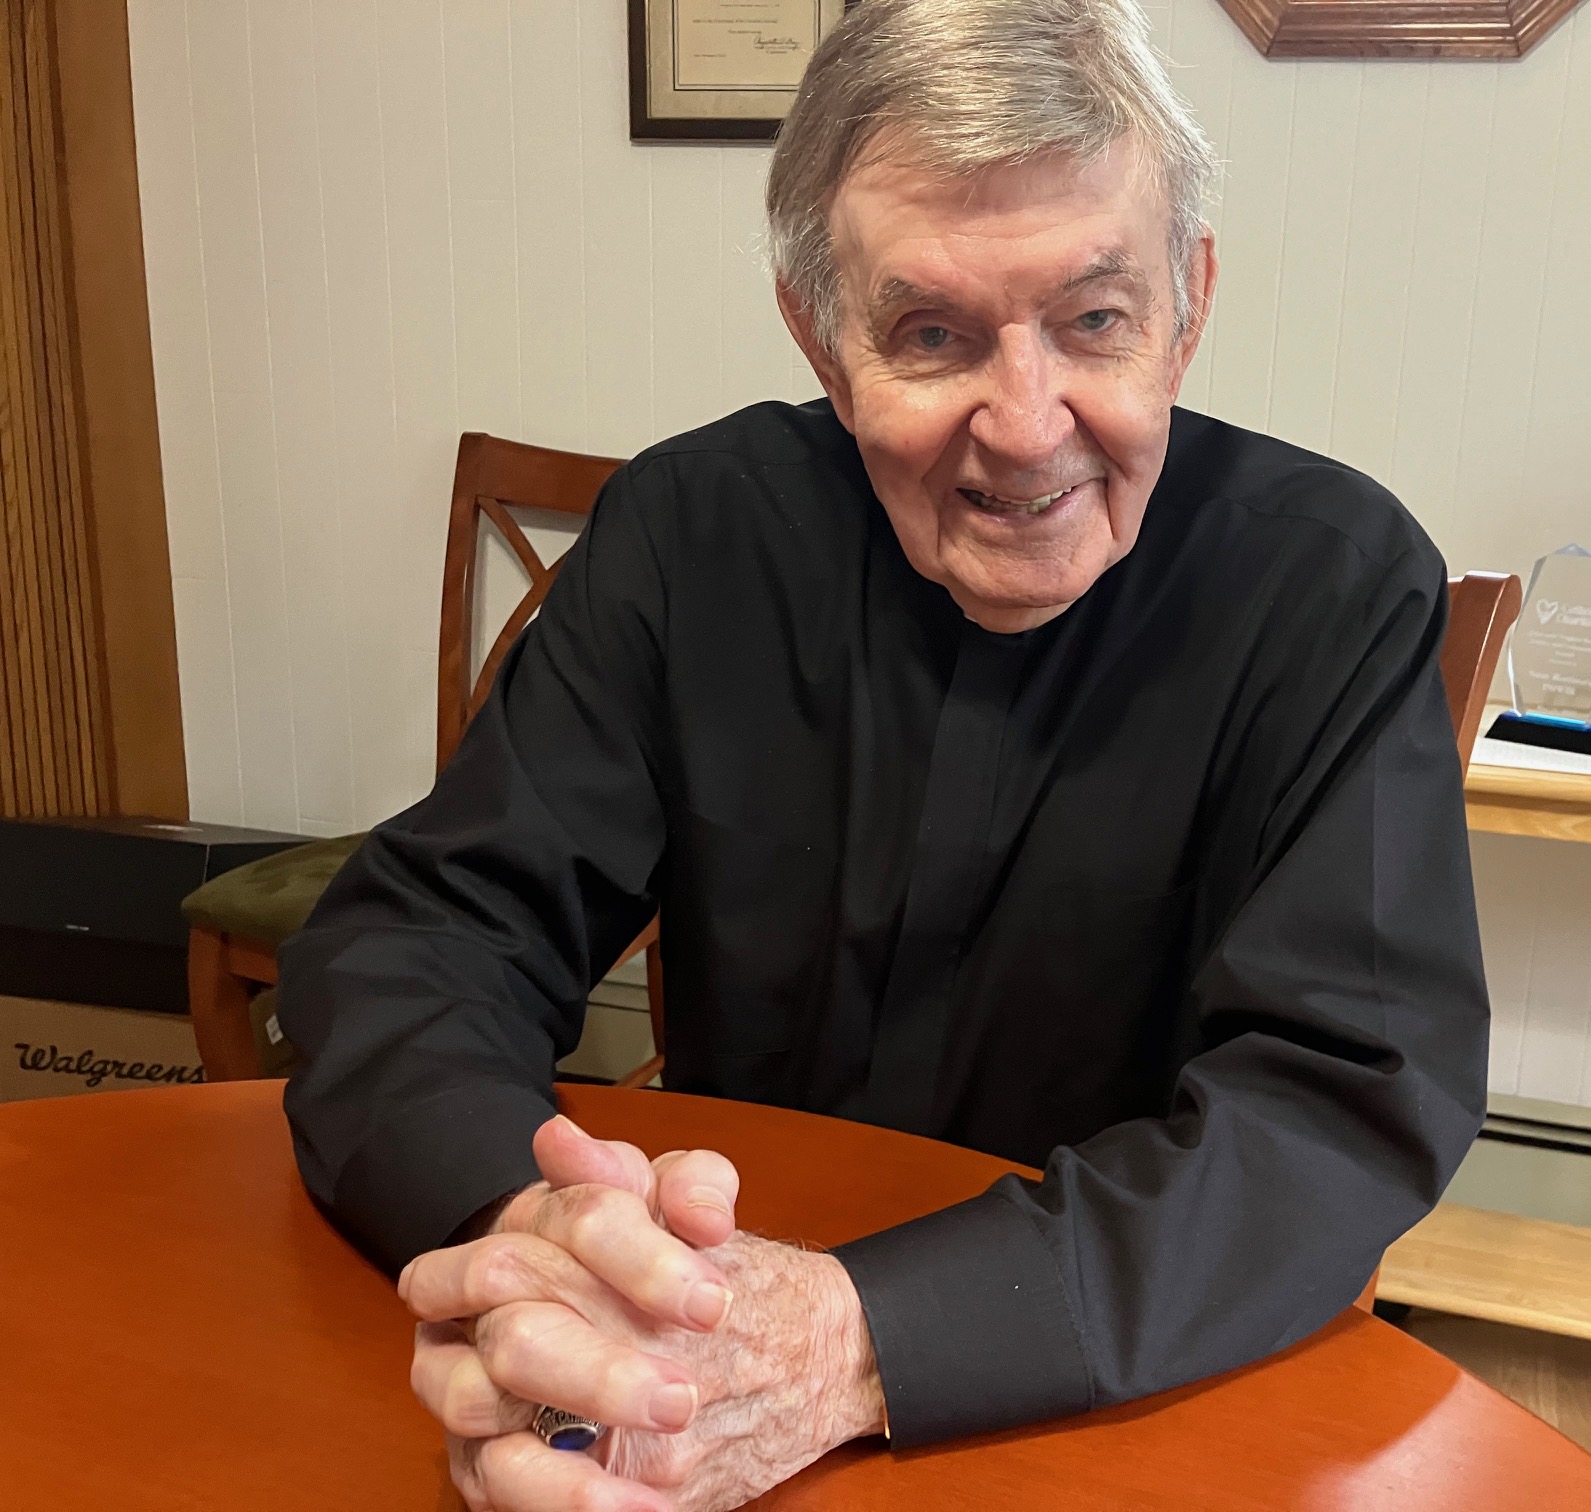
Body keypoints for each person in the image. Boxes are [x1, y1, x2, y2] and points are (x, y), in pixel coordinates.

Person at [275, 2, 1491, 1509]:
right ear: (821, 338)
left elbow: (1339, 1108)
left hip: (1129, 1412)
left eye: (1096, 320)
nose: (1027, 424)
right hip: (697, 1368)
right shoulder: (687, 538)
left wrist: (853, 1342)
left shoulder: (1332, 583)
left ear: (1190, 306)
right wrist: (537, 1230)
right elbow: (418, 939)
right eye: (932, 334)